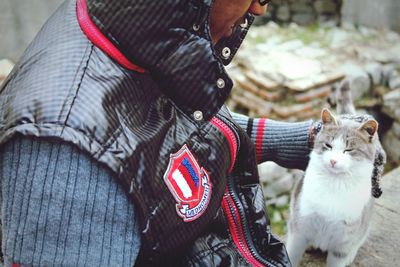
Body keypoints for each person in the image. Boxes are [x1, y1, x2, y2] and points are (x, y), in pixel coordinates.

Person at [0, 0, 385, 266]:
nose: (259, 8)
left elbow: (166, 129)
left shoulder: (127, 36)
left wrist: (315, 139)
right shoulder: (64, 162)